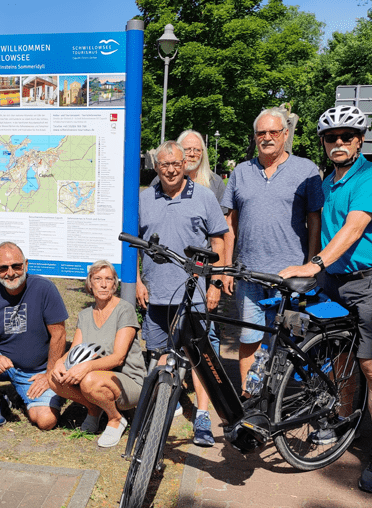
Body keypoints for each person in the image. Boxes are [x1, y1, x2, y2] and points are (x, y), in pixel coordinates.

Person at [280, 105, 372, 493]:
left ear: (360, 141)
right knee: (337, 357)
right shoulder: (327, 182)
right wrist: (317, 272)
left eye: (347, 136)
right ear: (323, 142)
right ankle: (343, 418)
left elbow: (353, 229)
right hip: (333, 282)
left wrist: (313, 264)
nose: (339, 142)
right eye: (331, 137)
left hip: (368, 283)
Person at [221, 108, 323, 388]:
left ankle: (288, 397)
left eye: (273, 132)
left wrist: (311, 265)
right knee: (249, 339)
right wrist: (228, 267)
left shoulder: (306, 170)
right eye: (261, 133)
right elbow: (230, 222)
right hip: (249, 276)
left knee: (293, 339)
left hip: (291, 278)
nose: (267, 137)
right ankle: (250, 396)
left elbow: (315, 219)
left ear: (285, 134)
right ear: (255, 137)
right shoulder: (241, 172)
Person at [136, 140, 228, 447]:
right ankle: (166, 405)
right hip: (157, 293)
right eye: (165, 164)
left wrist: (215, 283)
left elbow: (219, 241)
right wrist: (137, 282)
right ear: (156, 167)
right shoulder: (144, 199)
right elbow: (134, 244)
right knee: (160, 353)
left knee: (199, 357)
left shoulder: (203, 197)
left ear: (185, 164)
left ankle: (202, 416)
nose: (171, 170)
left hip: (195, 294)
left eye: (176, 164)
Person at [0, 242, 67, 430]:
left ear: (26, 264)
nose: (10, 273)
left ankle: (25, 397)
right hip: (2, 362)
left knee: (46, 421)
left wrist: (49, 374)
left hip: (36, 370)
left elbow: (59, 334)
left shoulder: (44, 288)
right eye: (3, 268)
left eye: (16, 266)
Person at [49, 260, 146, 447]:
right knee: (53, 377)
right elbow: (75, 350)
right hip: (96, 377)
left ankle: (116, 418)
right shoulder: (85, 315)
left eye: (108, 279)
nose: (103, 284)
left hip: (128, 381)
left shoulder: (124, 310)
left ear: (114, 284)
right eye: (98, 279)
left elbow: (118, 357)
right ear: (90, 283)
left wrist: (86, 367)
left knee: (89, 379)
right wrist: (59, 362)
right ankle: (94, 408)